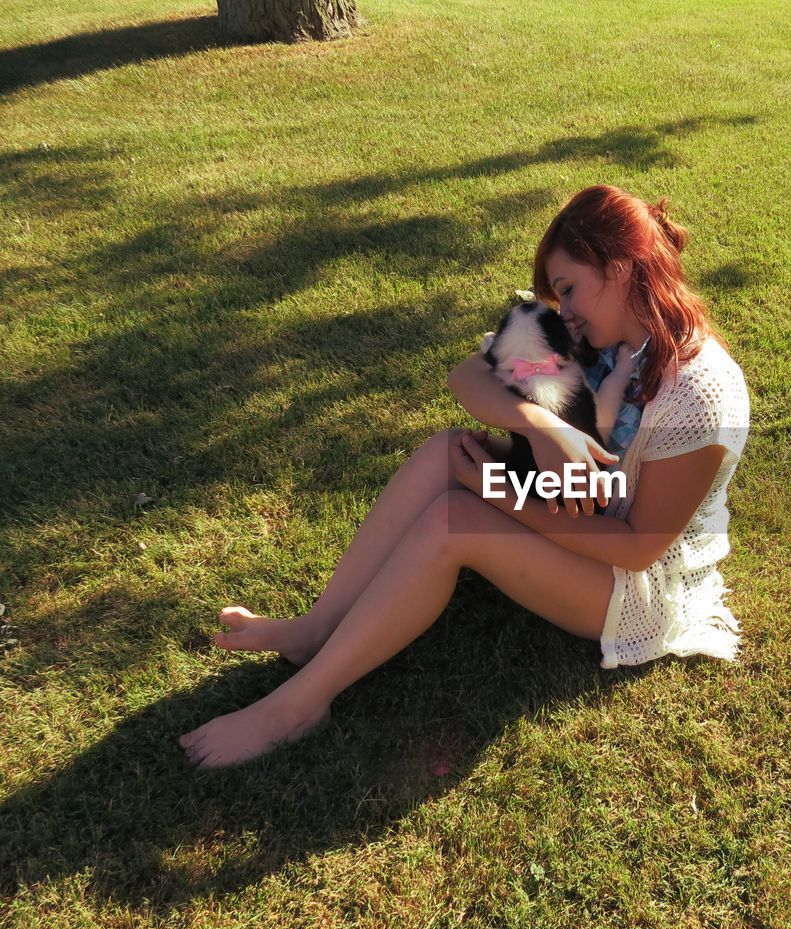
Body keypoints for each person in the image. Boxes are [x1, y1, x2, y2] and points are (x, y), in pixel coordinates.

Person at [179, 185, 751, 768]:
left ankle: (298, 706)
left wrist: (501, 494)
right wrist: (540, 428)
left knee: (459, 521)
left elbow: (638, 549)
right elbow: (468, 378)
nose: (565, 309)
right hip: (585, 510)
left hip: (638, 587)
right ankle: (317, 628)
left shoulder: (701, 390)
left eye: (571, 288)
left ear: (622, 267)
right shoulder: (595, 340)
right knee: (446, 450)